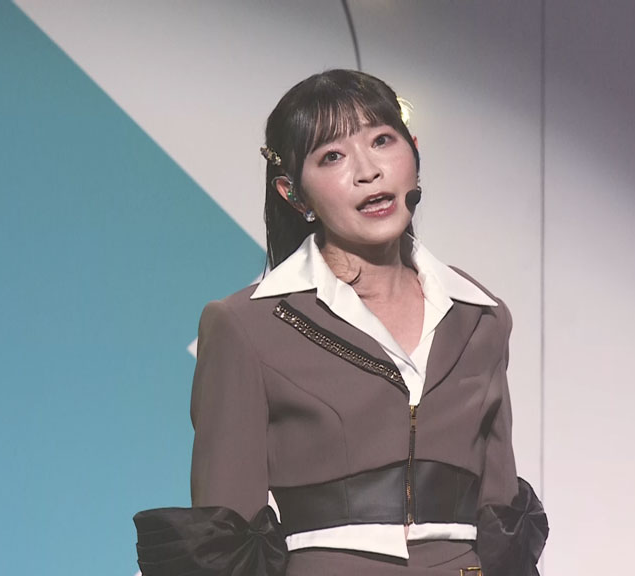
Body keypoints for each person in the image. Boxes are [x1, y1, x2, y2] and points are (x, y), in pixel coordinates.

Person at [133, 70, 547, 576]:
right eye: (332, 156)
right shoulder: (245, 326)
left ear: (414, 154)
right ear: (293, 193)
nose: (368, 171)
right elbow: (226, 541)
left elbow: (503, 522)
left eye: (382, 140)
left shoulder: (481, 315)